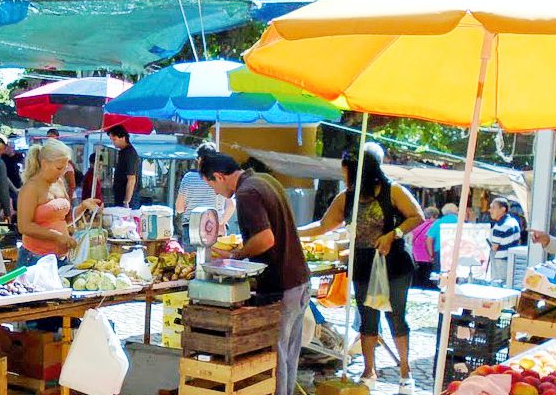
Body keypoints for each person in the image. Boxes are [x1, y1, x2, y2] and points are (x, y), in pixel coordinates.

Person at [303, 145, 424, 393]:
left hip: (394, 264)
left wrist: (393, 234)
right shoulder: (346, 197)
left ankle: (405, 373)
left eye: (346, 171)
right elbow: (324, 225)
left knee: (396, 317)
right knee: (368, 320)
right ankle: (369, 372)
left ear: (360, 171)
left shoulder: (393, 191)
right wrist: (294, 232)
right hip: (362, 264)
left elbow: (416, 216)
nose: (343, 176)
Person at [200, 152, 309, 395]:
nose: (216, 192)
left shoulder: (247, 193)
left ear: (219, 176)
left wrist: (235, 256)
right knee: (289, 355)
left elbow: (265, 239)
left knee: (276, 356)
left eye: (212, 185)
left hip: (281, 284)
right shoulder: (265, 180)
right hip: (298, 279)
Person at [15, 139, 102, 266]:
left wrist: (83, 206)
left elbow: (64, 219)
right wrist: (57, 236)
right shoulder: (30, 188)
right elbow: (24, 226)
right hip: (36, 258)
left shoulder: (59, 182)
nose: (62, 173)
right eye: (59, 168)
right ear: (44, 164)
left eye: (65, 168)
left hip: (61, 258)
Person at [175, 143, 234, 242]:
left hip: (192, 228)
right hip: (215, 228)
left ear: (199, 160)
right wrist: (220, 222)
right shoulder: (221, 178)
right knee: (215, 257)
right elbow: (231, 205)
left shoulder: (189, 178)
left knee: (191, 257)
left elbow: (179, 208)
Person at [422, 203, 459, 288]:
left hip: (440, 253)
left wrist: (431, 254)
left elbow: (429, 239)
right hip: (455, 253)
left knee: (439, 276)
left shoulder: (439, 222)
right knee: (453, 276)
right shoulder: (460, 223)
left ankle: (441, 292)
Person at [487, 197, 523, 281]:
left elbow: (494, 247)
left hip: (501, 262)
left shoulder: (500, 226)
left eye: (493, 207)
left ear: (503, 209)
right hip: (513, 260)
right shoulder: (513, 221)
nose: (490, 210)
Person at [107, 125, 141, 208]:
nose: (113, 142)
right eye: (111, 140)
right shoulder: (123, 152)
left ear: (122, 137)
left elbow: (132, 179)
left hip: (128, 201)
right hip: (120, 196)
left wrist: (126, 201)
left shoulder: (130, 154)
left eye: (114, 139)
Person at [409, 206, 440, 289]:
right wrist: (432, 255)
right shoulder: (433, 226)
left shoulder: (418, 224)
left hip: (415, 256)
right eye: (436, 216)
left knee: (418, 279)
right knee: (426, 279)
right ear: (434, 216)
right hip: (426, 256)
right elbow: (429, 242)